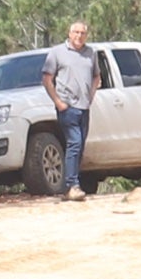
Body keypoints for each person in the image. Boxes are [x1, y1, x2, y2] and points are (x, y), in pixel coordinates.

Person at [41, 19, 101, 200]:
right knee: (74, 143)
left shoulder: (91, 53)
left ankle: (71, 187)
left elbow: (97, 77)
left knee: (80, 145)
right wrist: (58, 102)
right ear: (69, 33)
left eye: (82, 33)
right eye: (76, 32)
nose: (79, 36)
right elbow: (46, 78)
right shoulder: (57, 53)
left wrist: (90, 97)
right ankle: (72, 186)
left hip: (84, 107)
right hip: (67, 107)